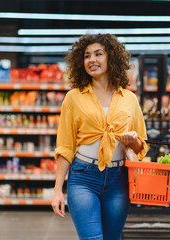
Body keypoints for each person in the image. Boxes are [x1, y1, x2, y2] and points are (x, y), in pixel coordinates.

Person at [51, 33, 148, 240]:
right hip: (83, 177)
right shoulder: (74, 98)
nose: (91, 60)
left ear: (111, 57)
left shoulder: (129, 98)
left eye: (98, 54)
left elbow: (142, 146)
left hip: (118, 180)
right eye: (87, 56)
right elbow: (65, 147)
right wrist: (57, 189)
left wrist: (134, 141)